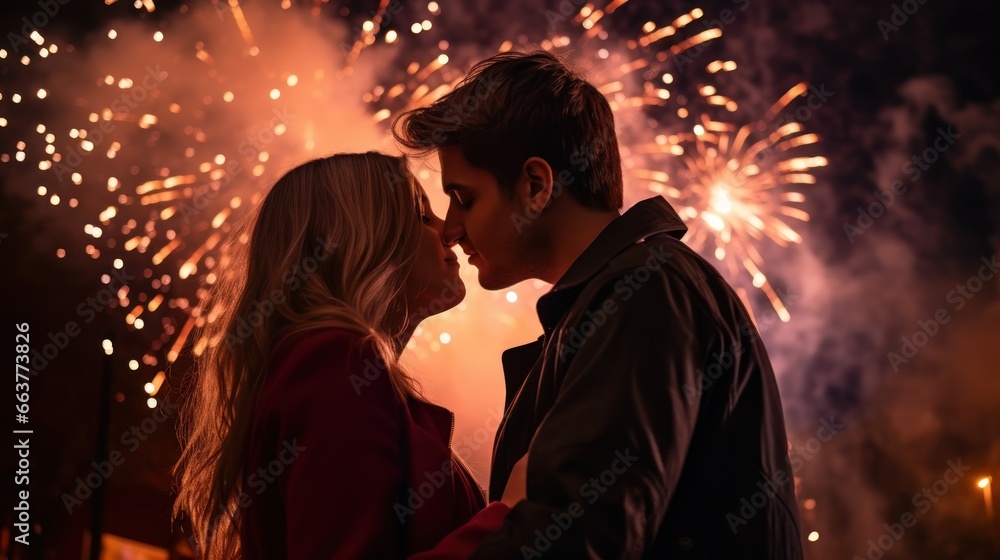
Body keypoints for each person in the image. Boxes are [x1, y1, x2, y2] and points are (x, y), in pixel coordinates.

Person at [393, 50, 805, 558]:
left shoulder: (647, 293)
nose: (452, 230)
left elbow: (576, 539)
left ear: (536, 186)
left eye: (465, 198)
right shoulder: (628, 295)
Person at [172, 152, 523, 559]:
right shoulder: (335, 364)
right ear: (366, 239)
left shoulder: (334, 367)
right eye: (421, 217)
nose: (449, 231)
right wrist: (506, 522)